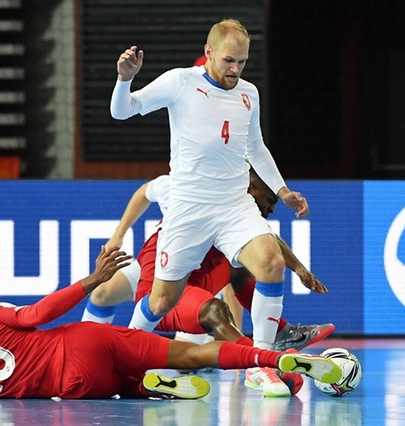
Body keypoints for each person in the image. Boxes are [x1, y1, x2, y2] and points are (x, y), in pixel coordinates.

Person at [0, 247, 342, 400]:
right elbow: (41, 315)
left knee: (118, 387)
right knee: (194, 351)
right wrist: (89, 282)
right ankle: (274, 360)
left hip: (73, 387)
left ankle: (143, 390)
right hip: (84, 340)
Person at [110, 18, 311, 395]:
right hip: (189, 209)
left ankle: (260, 363)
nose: (235, 70)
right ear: (209, 53)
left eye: (242, 62)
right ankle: (125, 352)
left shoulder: (248, 93)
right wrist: (125, 79)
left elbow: (256, 147)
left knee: (271, 262)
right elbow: (122, 112)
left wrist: (282, 191)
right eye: (229, 61)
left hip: (234, 204)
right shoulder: (180, 82)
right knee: (161, 299)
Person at [81, 170, 333, 353]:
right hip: (161, 267)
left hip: (193, 280)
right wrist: (117, 236)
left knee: (238, 273)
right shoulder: (184, 186)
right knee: (102, 294)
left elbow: (268, 244)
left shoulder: (241, 210)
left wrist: (298, 268)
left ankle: (269, 345)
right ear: (251, 189)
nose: (272, 208)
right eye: (271, 201)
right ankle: (91, 350)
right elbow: (144, 192)